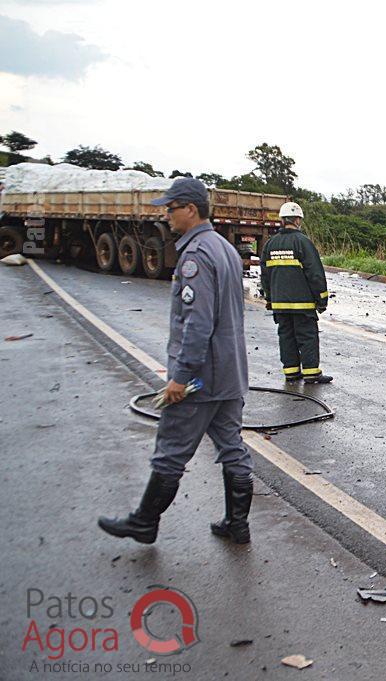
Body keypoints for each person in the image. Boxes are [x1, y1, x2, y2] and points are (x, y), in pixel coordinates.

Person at [98, 177, 255, 545]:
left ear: (190, 210)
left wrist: (181, 377)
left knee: (171, 451)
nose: (167, 215)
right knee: (232, 445)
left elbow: (197, 323)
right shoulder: (225, 248)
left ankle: (144, 522)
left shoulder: (196, 255)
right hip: (230, 373)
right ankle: (237, 524)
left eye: (171, 209)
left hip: (201, 377)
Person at [259, 201, 332, 383]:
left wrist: (269, 298)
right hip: (303, 303)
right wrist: (322, 299)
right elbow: (315, 273)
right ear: (298, 219)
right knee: (307, 336)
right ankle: (311, 373)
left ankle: (291, 372)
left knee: (286, 336)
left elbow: (265, 275)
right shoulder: (303, 242)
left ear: (282, 220)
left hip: (279, 304)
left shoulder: (270, 244)